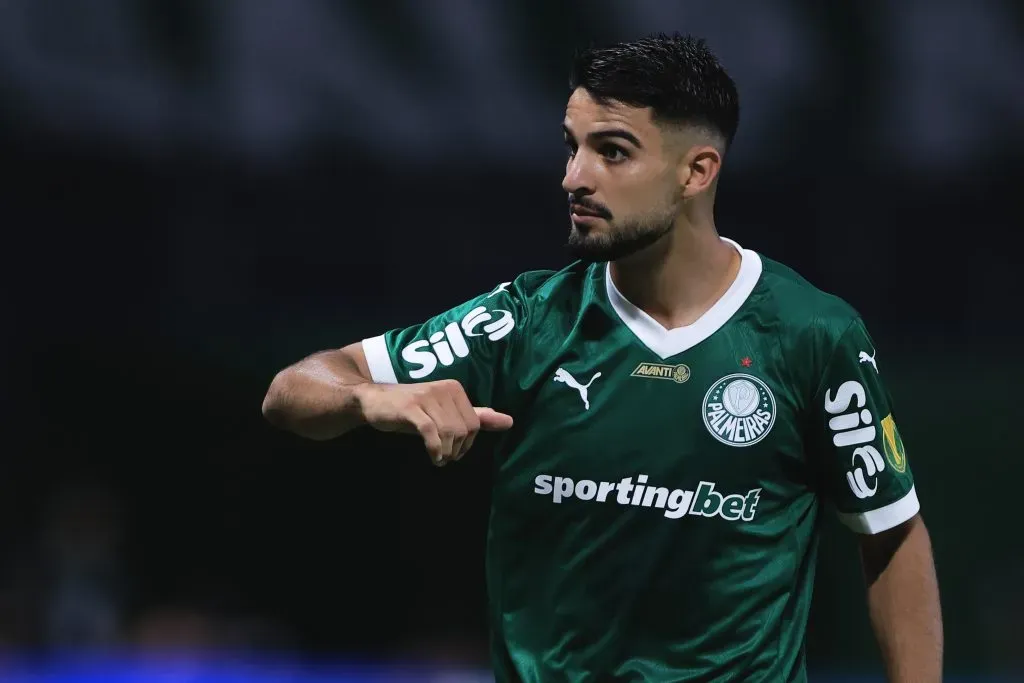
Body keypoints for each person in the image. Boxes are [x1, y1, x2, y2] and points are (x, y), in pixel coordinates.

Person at [262, 33, 942, 683]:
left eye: (612, 152)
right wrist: (369, 397)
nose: (573, 177)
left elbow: (890, 532)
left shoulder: (810, 336)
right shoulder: (524, 321)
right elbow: (293, 392)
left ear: (697, 171)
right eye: (572, 146)